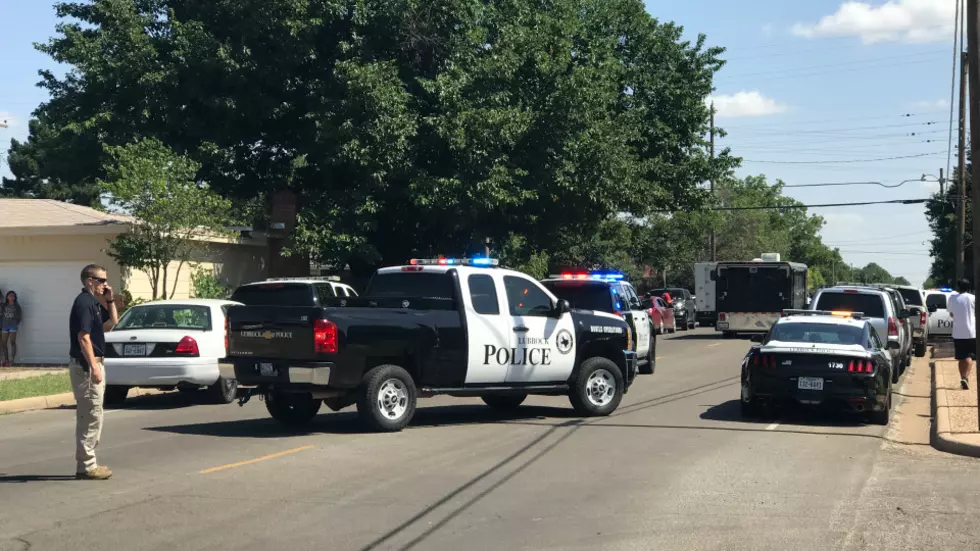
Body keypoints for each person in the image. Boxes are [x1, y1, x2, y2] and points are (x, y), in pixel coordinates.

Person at [69, 264, 118, 480]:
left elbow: (111, 324)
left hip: (94, 364)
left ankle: (85, 465)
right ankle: (88, 466)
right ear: (89, 280)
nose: (105, 284)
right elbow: (83, 337)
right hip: (87, 366)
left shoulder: (94, 304)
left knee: (92, 414)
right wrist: (94, 367)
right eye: (101, 281)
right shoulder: (84, 303)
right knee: (91, 415)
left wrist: (109, 299)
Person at [948, 278, 976, 390]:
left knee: (960, 358)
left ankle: (962, 378)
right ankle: (965, 377)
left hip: (958, 332)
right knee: (969, 357)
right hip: (971, 332)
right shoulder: (973, 298)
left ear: (958, 287)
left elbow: (951, 314)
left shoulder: (952, 298)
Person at [1, 290, 22, 366]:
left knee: (12, 342)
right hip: (4, 326)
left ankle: (12, 360)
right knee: (4, 343)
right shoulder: (3, 305)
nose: (11, 297)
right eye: (10, 295)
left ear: (15, 297)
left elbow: (19, 317)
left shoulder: (17, 306)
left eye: (13, 296)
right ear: (7, 297)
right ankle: (6, 360)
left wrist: (15, 324)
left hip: (13, 326)